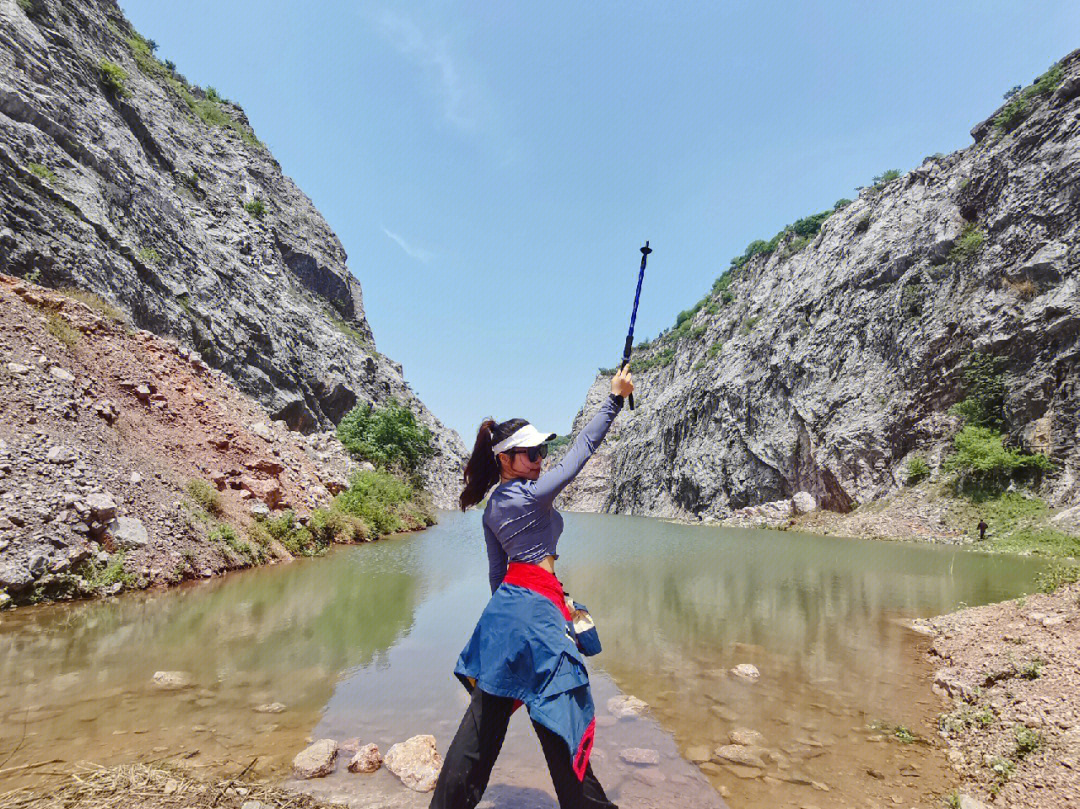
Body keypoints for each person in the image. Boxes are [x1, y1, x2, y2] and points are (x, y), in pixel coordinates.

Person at [429, 366, 634, 809]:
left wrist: (511, 626)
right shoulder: (531, 494)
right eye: (530, 453)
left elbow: (495, 576)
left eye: (542, 451)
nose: (540, 459)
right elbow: (581, 451)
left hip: (508, 613)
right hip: (534, 609)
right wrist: (614, 399)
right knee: (558, 712)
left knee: (484, 724)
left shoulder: (491, 509)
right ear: (504, 459)